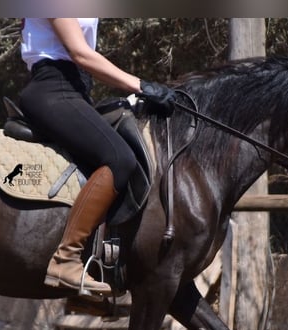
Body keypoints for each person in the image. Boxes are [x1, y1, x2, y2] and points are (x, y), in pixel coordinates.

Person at [18, 18, 174, 295]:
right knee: (119, 159)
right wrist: (141, 85)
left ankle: (105, 264)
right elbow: (80, 53)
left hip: (76, 90)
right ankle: (66, 258)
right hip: (53, 88)